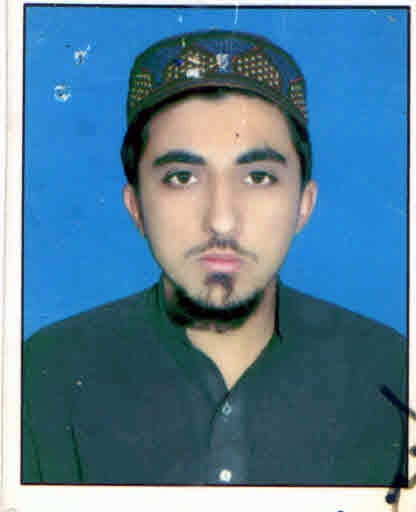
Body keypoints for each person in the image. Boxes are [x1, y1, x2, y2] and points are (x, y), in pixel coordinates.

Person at [22, 30, 407, 486]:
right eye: (182, 177)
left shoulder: (393, 375)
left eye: (258, 177)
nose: (221, 221)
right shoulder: (43, 376)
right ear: (136, 207)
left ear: (304, 204)